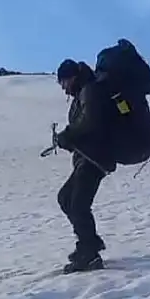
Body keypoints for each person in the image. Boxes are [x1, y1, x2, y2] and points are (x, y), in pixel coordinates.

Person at [52, 58, 119, 273]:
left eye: (63, 82)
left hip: (96, 158)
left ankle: (89, 253)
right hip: (89, 157)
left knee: (77, 203)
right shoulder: (84, 92)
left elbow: (91, 123)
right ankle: (89, 243)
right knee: (66, 198)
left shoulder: (90, 91)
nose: (63, 88)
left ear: (72, 77)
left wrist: (68, 136)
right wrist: (69, 142)